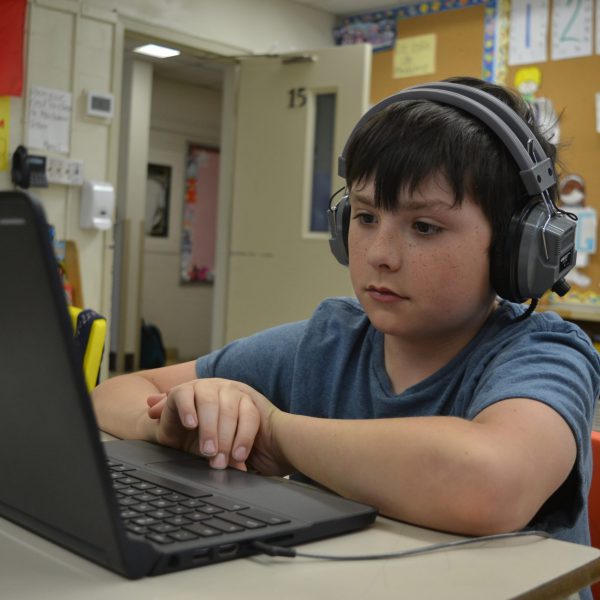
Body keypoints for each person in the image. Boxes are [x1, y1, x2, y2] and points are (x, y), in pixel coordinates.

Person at [92, 77, 600, 553]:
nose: (380, 253)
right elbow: (110, 394)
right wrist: (168, 422)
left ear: (519, 246)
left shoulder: (546, 354)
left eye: (424, 227)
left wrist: (277, 432)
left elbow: (489, 482)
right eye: (365, 216)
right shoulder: (327, 342)